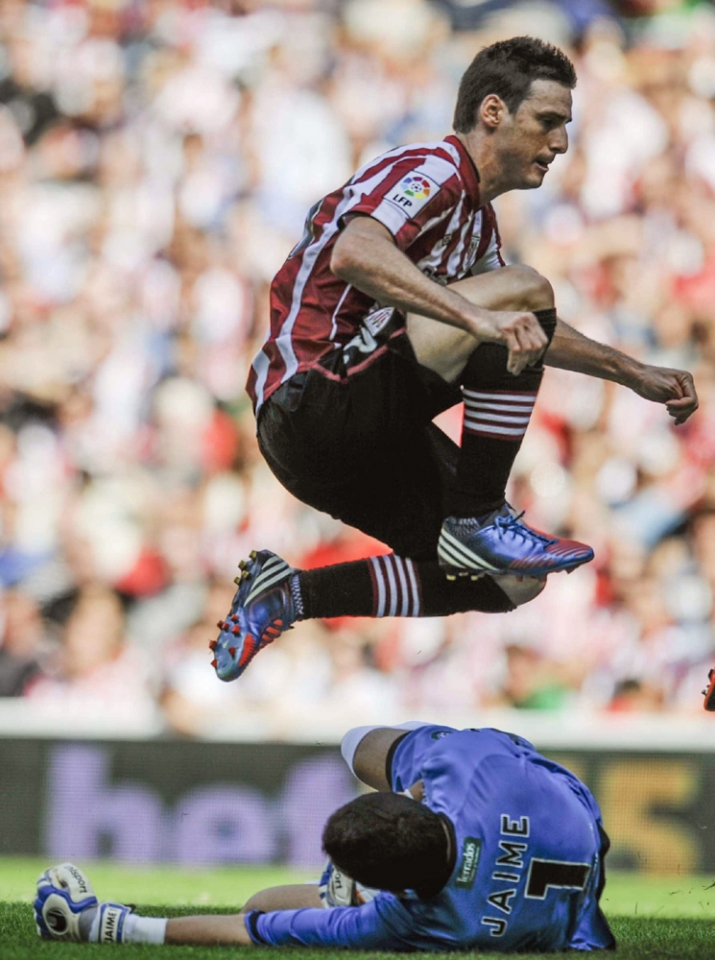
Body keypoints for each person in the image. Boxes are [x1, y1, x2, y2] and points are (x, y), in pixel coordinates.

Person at [209, 36, 698, 682]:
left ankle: (292, 595)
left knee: (509, 584)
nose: (559, 145)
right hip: (314, 394)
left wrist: (630, 372)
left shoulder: (476, 225)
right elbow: (354, 253)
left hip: (342, 444)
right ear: (492, 111)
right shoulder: (433, 168)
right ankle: (477, 514)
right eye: (546, 122)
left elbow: (528, 325)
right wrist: (475, 316)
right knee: (521, 294)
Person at [35, 721, 615, 951]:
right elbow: (515, 752)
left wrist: (107, 924)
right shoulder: (464, 766)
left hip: (568, 925)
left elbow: (250, 928)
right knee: (368, 744)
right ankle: (353, 876)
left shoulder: (405, 920)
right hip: (581, 832)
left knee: (261, 903)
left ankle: (346, 889)